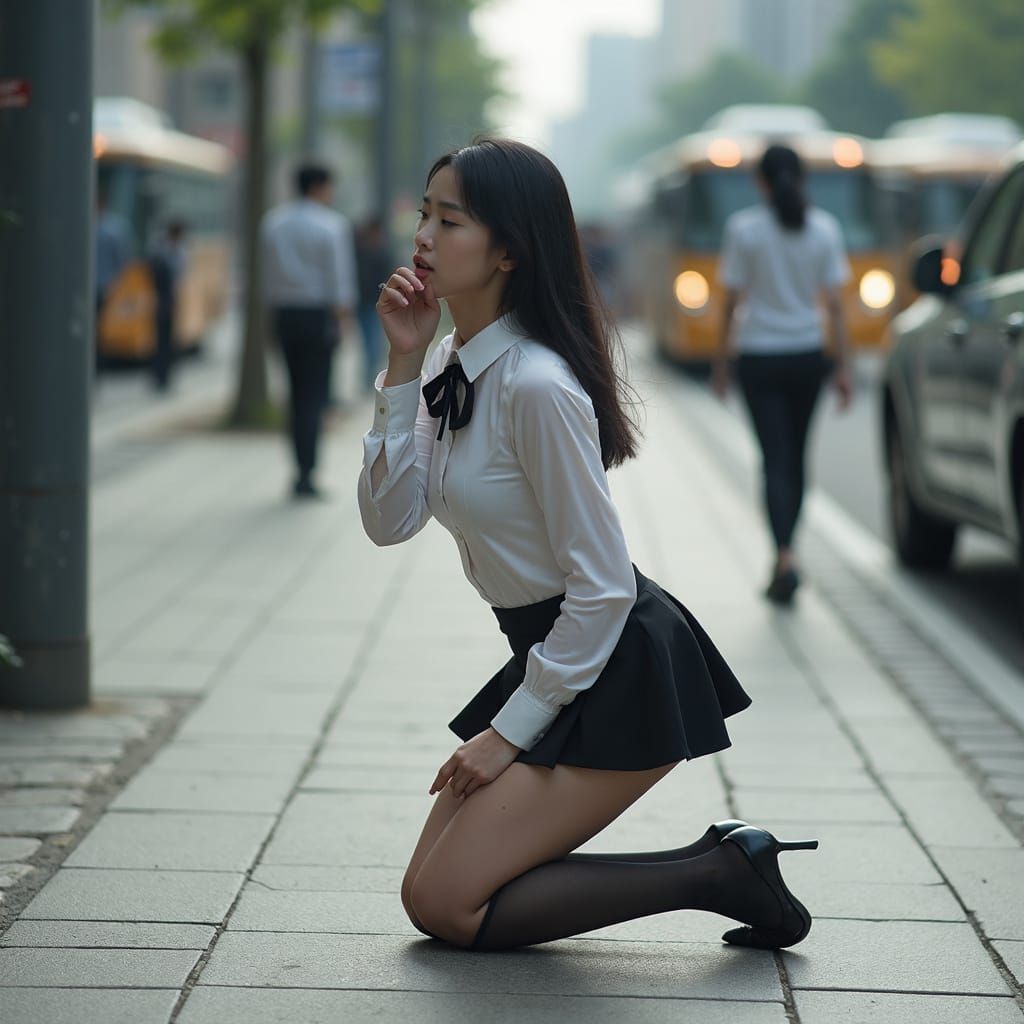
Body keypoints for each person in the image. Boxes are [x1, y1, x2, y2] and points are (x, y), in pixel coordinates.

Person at [356, 138, 818, 953]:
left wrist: (509, 732)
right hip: (552, 652)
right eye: (423, 213)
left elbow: (602, 587)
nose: (422, 236)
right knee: (427, 896)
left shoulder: (535, 386)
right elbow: (389, 520)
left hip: (614, 659)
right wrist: (400, 364)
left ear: (508, 250)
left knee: (449, 905)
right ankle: (723, 869)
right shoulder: (450, 366)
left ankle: (718, 873)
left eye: (449, 219)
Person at [713, 144, 853, 605]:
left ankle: (784, 554)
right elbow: (835, 305)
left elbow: (730, 302)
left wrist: (721, 362)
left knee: (774, 459)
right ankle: (789, 552)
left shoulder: (745, 229)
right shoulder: (824, 229)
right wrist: (845, 366)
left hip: (759, 356)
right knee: (796, 458)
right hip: (806, 355)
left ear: (761, 182)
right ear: (803, 178)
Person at [262, 163, 357, 499]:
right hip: (318, 317)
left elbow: (267, 276)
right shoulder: (331, 226)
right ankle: (308, 472)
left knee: (294, 392)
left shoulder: (273, 223)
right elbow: (340, 281)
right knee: (315, 396)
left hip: (284, 314)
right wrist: (344, 321)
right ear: (320, 186)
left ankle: (297, 469)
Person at [148, 219, 188, 393]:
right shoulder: (173, 253)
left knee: (164, 340)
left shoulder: (160, 250)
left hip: (162, 299)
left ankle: (162, 376)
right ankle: (161, 376)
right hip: (165, 299)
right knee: (162, 340)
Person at [355, 216, 391, 392]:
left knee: (372, 341)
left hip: (373, 304)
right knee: (369, 341)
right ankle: (369, 376)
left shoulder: (376, 252)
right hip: (367, 303)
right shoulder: (370, 252)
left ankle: (370, 376)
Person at [94, 189, 129, 367]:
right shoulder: (113, 228)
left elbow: (120, 259)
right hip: (102, 284)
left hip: (101, 284)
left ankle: (97, 361)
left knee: (97, 326)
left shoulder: (111, 229)